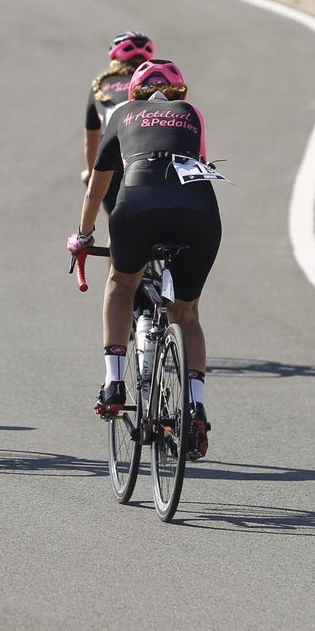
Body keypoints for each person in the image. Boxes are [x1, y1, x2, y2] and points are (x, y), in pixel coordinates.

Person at [67, 59, 220, 458]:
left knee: (121, 282)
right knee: (187, 313)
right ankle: (196, 406)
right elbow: (199, 164)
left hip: (137, 205)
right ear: (180, 93)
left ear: (132, 91)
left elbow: (96, 190)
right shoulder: (192, 114)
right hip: (198, 212)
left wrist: (83, 237)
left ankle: (115, 383)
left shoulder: (121, 113)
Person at [83, 32, 155, 216]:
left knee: (116, 227)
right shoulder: (155, 83)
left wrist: (92, 175)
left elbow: (91, 142)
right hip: (150, 154)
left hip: (114, 157)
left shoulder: (101, 84)